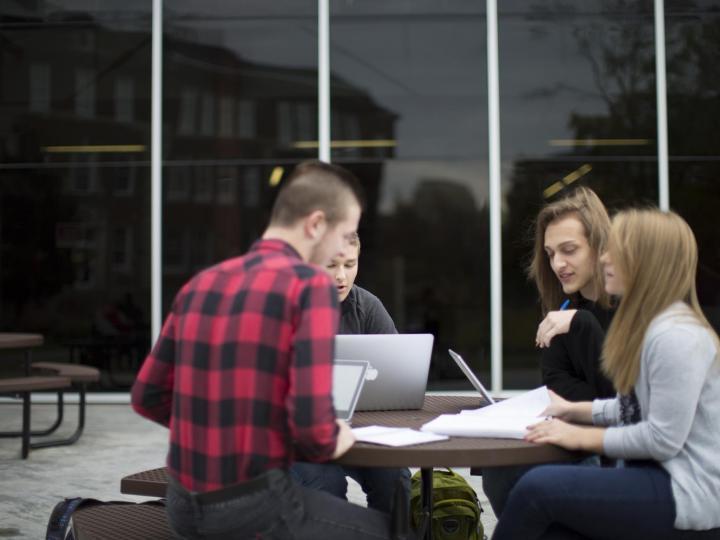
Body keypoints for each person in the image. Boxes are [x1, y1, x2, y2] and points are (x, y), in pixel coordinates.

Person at [131, 161, 409, 539]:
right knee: (386, 532)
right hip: (253, 506)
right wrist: (337, 436)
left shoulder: (203, 283)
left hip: (183, 502)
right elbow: (314, 432)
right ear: (315, 225)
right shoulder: (307, 290)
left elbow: (147, 396)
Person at [492, 209, 720, 539]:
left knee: (537, 488)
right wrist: (573, 411)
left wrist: (578, 435)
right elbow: (636, 409)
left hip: (686, 490)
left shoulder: (676, 336)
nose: (605, 258)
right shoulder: (653, 326)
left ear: (647, 261)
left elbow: (662, 440)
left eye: (616, 249)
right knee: (554, 531)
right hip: (659, 477)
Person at [482, 187, 616, 517]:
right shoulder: (565, 309)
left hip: (621, 451)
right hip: (575, 434)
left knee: (537, 482)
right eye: (550, 252)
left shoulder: (626, 309)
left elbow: (624, 396)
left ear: (600, 247)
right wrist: (587, 400)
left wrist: (582, 325)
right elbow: (555, 385)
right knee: (497, 473)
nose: (558, 263)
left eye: (569, 250)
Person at [291, 233, 411, 513]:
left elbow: (397, 374)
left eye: (350, 264)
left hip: (358, 430)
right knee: (326, 483)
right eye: (331, 265)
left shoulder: (367, 307)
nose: (341, 276)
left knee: (395, 479)